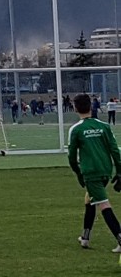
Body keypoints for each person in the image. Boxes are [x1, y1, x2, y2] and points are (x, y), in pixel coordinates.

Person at [68, 92, 121, 252]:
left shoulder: (76, 129)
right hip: (105, 169)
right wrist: (119, 171)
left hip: (91, 172)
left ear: (75, 108)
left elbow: (71, 157)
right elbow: (115, 150)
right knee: (89, 200)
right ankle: (85, 237)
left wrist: (78, 173)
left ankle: (120, 237)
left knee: (103, 204)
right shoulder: (104, 126)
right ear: (91, 107)